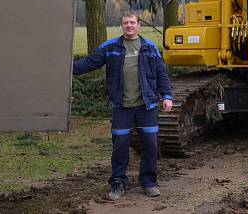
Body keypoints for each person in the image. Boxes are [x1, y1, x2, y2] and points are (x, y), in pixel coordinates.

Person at [73, 11, 173, 200]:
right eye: (126, 23)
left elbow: (162, 74)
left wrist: (167, 96)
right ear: (121, 26)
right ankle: (118, 182)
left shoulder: (150, 47)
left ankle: (149, 182)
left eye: (132, 22)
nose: (129, 25)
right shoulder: (110, 47)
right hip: (121, 107)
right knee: (120, 145)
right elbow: (89, 63)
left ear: (138, 25)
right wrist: (65, 67)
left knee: (150, 145)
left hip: (147, 106)